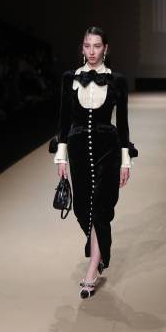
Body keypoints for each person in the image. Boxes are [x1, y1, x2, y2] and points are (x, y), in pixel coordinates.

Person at [53, 26, 133, 299]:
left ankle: (92, 268)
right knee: (81, 209)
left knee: (101, 207)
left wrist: (126, 161)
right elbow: (64, 120)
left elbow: (122, 124)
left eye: (97, 46)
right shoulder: (69, 78)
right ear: (82, 48)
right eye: (87, 46)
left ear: (106, 49)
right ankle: (97, 253)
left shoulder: (117, 81)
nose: (91, 51)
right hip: (76, 150)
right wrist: (60, 155)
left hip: (108, 151)